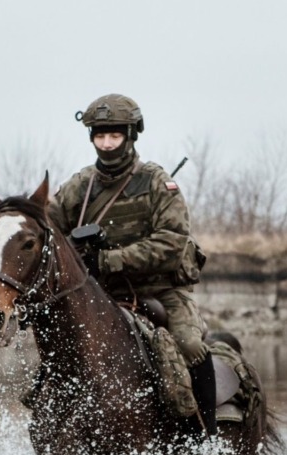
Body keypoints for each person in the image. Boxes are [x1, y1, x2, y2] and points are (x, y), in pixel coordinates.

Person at [46, 93, 216, 435]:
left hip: (160, 291)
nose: (106, 144)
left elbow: (171, 242)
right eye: (99, 135)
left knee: (190, 347)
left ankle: (207, 439)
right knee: (55, 347)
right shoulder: (80, 186)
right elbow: (48, 227)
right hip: (99, 295)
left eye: (114, 135)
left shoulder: (157, 183)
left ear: (130, 134)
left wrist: (107, 260)